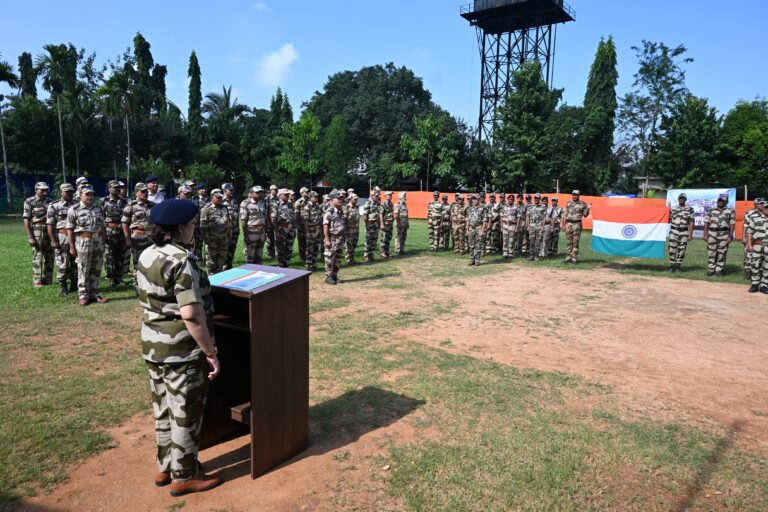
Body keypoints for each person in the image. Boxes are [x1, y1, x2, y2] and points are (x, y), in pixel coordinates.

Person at [136, 198, 223, 497]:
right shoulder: (182, 259)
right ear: (180, 228)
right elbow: (191, 314)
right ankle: (184, 475)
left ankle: (165, 466)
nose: (195, 228)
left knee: (162, 408)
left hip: (153, 346)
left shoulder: (147, 254)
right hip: (181, 350)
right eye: (192, 224)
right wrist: (210, 353)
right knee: (184, 411)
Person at [67, 185, 108, 306]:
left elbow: (102, 227)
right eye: (87, 194)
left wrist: (104, 242)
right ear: (80, 195)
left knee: (97, 268)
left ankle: (94, 294)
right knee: (84, 267)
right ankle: (83, 295)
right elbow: (69, 229)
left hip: (98, 240)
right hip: (83, 241)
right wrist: (71, 246)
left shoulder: (98, 209)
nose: (90, 197)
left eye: (92, 194)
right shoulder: (74, 209)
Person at [122, 183, 155, 291]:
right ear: (136, 193)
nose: (145, 194)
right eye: (142, 191)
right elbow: (124, 223)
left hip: (152, 237)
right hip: (138, 237)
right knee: (138, 262)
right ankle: (138, 285)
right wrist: (127, 238)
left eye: (146, 191)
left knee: (152, 261)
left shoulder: (153, 205)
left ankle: (150, 284)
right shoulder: (131, 206)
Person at [47, 183, 78, 295]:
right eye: (67, 191)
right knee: (63, 262)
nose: (69, 193)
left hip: (76, 237)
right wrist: (53, 240)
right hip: (62, 237)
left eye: (71, 191)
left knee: (76, 261)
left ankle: (75, 283)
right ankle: (63, 285)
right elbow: (50, 224)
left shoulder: (77, 205)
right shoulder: (54, 206)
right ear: (61, 192)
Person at [23, 182, 54, 287]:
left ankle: (48, 279)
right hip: (37, 230)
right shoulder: (29, 201)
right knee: (38, 255)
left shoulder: (50, 202)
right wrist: (30, 236)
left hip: (50, 230)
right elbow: (26, 219)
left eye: (46, 190)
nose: (45, 192)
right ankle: (37, 280)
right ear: (36, 189)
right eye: (42, 190)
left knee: (50, 255)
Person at [101, 180, 129, 286]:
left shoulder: (124, 201)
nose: (117, 189)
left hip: (121, 232)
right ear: (109, 189)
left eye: (118, 187)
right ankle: (110, 278)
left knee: (120, 255)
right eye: (114, 187)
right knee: (109, 256)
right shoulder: (103, 201)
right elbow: (101, 218)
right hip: (109, 232)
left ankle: (119, 277)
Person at [200, 189, 232, 275]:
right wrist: (207, 239)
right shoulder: (206, 209)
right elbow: (203, 226)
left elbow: (229, 223)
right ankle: (211, 283)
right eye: (217, 197)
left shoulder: (225, 208)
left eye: (220, 197)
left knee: (221, 262)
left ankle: (219, 281)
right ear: (212, 198)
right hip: (212, 241)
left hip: (223, 240)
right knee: (211, 264)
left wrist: (229, 235)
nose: (219, 199)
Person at [703, 194, 736, 277]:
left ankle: (719, 269)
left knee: (722, 252)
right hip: (712, 234)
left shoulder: (730, 211)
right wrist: (705, 234)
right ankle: (711, 269)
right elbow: (706, 223)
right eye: (719, 201)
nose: (720, 202)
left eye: (722, 201)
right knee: (711, 252)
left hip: (724, 234)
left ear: (726, 202)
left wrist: (730, 236)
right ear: (717, 201)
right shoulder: (710, 210)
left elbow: (732, 224)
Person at [323, 191, 347, 285]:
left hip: (340, 239)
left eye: (341, 198)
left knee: (337, 258)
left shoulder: (340, 211)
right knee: (329, 258)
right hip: (332, 238)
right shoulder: (330, 211)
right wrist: (327, 239)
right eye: (338, 199)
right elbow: (325, 225)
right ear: (332, 200)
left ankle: (334, 276)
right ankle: (328, 277)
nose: (341, 200)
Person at [668, 193, 695, 273]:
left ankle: (678, 266)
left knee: (682, 250)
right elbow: (668, 220)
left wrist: (690, 234)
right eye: (680, 198)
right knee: (672, 249)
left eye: (683, 198)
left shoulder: (690, 209)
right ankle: (672, 266)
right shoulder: (672, 209)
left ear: (685, 199)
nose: (681, 199)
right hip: (674, 231)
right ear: (678, 199)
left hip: (684, 232)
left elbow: (691, 222)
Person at [562, 190, 590, 264]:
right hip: (569, 224)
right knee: (569, 241)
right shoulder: (568, 203)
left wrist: (588, 209)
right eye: (573, 195)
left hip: (577, 224)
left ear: (579, 195)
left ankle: (574, 257)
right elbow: (565, 214)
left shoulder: (583, 204)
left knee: (575, 242)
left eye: (576, 195)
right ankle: (568, 256)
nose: (574, 196)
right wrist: (564, 225)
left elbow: (585, 215)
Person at [240, 186, 267, 264]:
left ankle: (258, 271)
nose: (260, 194)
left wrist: (264, 232)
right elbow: (243, 221)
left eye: (260, 192)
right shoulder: (246, 203)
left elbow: (264, 217)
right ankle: (249, 273)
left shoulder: (263, 202)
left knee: (259, 254)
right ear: (251, 193)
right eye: (257, 192)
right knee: (250, 255)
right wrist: (246, 235)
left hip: (261, 231)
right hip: (251, 231)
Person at [746, 199, 768, 293]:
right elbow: (750, 232)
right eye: (766, 208)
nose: (767, 209)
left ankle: (764, 285)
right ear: (763, 208)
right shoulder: (754, 217)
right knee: (755, 265)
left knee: (767, 266)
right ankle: (754, 284)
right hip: (757, 245)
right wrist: (749, 245)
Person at [271, 188, 296, 267]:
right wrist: (276, 231)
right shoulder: (276, 204)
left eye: (288, 194)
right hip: (281, 229)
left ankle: (287, 263)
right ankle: (281, 264)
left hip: (291, 229)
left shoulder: (291, 204)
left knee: (289, 247)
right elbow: (273, 219)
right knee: (280, 248)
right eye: (285, 194)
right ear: (280, 195)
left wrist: (294, 227)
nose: (287, 195)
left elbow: (293, 216)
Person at [743, 198, 764, 280]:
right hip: (751, 237)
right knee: (749, 255)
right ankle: (748, 272)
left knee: (761, 257)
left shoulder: (766, 212)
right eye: (759, 203)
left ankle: (760, 273)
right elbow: (745, 226)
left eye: (762, 203)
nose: (761, 205)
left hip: (762, 238)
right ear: (755, 204)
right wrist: (743, 238)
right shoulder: (749, 213)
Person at [465, 194, 489, 266]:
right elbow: (468, 220)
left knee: (478, 245)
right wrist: (467, 229)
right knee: (471, 244)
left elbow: (484, 220)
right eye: (473, 199)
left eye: (476, 199)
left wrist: (482, 230)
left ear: (479, 199)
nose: (474, 200)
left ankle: (477, 260)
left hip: (479, 227)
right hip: (471, 228)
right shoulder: (470, 208)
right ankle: (471, 259)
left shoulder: (483, 208)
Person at [303, 191, 323, 271]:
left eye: (317, 197)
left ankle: (314, 264)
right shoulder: (307, 207)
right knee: (310, 249)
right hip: (311, 230)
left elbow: (320, 218)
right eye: (315, 197)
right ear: (310, 197)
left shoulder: (318, 206)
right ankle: (309, 265)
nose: (317, 198)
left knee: (316, 248)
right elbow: (305, 221)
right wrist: (307, 232)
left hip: (317, 230)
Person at [221, 183, 240, 269]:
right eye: (230, 190)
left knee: (232, 248)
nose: (232, 192)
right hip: (226, 230)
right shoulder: (221, 201)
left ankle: (229, 264)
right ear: (225, 191)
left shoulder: (234, 201)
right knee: (225, 248)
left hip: (235, 229)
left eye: (233, 190)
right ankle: (223, 265)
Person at [362, 191, 381, 262]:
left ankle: (371, 255)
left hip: (376, 224)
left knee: (374, 240)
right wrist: (367, 225)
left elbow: (379, 214)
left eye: (377, 196)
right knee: (368, 240)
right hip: (370, 224)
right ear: (372, 196)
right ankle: (366, 256)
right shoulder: (368, 203)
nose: (377, 197)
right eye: (376, 196)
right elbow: (365, 215)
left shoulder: (378, 203)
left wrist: (379, 224)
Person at [526, 193, 546, 261]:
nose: (536, 199)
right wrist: (528, 225)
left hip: (539, 225)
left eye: (537, 198)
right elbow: (528, 216)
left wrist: (543, 226)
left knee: (538, 242)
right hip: (532, 225)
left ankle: (536, 256)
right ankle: (531, 255)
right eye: (535, 198)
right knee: (531, 241)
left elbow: (544, 217)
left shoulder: (543, 206)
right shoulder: (530, 206)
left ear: (540, 199)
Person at [294, 187, 309, 264]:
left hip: (309, 225)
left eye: (307, 191)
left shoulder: (309, 201)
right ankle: (302, 257)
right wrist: (299, 226)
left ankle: (308, 256)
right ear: (302, 193)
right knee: (301, 242)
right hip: (301, 225)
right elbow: (296, 215)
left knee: (308, 242)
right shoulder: (298, 202)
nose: (307, 192)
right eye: (305, 191)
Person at [501, 194, 518, 259]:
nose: (510, 200)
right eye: (509, 199)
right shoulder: (504, 207)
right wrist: (501, 227)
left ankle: (510, 253)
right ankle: (505, 253)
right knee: (505, 239)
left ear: (514, 200)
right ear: (507, 200)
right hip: (505, 225)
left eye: (511, 199)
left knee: (511, 240)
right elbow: (501, 217)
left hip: (512, 225)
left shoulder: (516, 207)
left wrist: (516, 226)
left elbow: (518, 218)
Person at [344, 194, 360, 264]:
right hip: (349, 229)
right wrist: (346, 230)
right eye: (355, 199)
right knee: (348, 245)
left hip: (356, 229)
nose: (356, 200)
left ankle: (352, 258)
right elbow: (344, 220)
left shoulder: (357, 207)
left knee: (354, 245)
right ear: (350, 199)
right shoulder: (346, 207)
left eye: (356, 199)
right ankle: (348, 260)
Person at [265, 184, 279, 260]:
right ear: (271, 190)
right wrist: (267, 222)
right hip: (269, 221)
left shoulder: (278, 198)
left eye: (277, 190)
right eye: (275, 189)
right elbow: (266, 210)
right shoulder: (267, 198)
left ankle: (276, 253)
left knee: (276, 237)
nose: (276, 191)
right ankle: (270, 253)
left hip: (276, 220)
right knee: (269, 238)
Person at [379, 191, 395, 258]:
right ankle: (382, 252)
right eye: (389, 195)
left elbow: (391, 212)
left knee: (389, 238)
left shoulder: (391, 204)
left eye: (391, 195)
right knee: (384, 239)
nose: (391, 196)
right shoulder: (383, 203)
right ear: (386, 196)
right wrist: (382, 224)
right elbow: (381, 214)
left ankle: (387, 252)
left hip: (390, 223)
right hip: (385, 223)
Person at [394, 192, 409, 256]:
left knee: (403, 237)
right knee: (399, 237)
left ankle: (401, 249)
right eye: (404, 196)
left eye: (405, 196)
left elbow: (406, 215)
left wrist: (407, 223)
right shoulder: (397, 205)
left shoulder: (405, 204)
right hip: (399, 223)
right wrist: (398, 224)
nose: (405, 197)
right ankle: (397, 250)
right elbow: (396, 215)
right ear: (400, 197)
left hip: (404, 223)